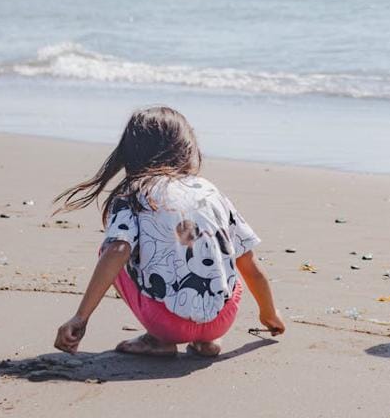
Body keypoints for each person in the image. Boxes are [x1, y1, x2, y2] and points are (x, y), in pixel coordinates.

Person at [51, 106, 285, 356]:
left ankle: (157, 341)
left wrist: (81, 317)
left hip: (166, 323)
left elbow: (119, 249)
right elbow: (248, 261)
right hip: (221, 321)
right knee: (208, 248)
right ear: (186, 146)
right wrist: (269, 313)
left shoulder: (135, 192)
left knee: (110, 249)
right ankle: (205, 341)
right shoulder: (209, 190)